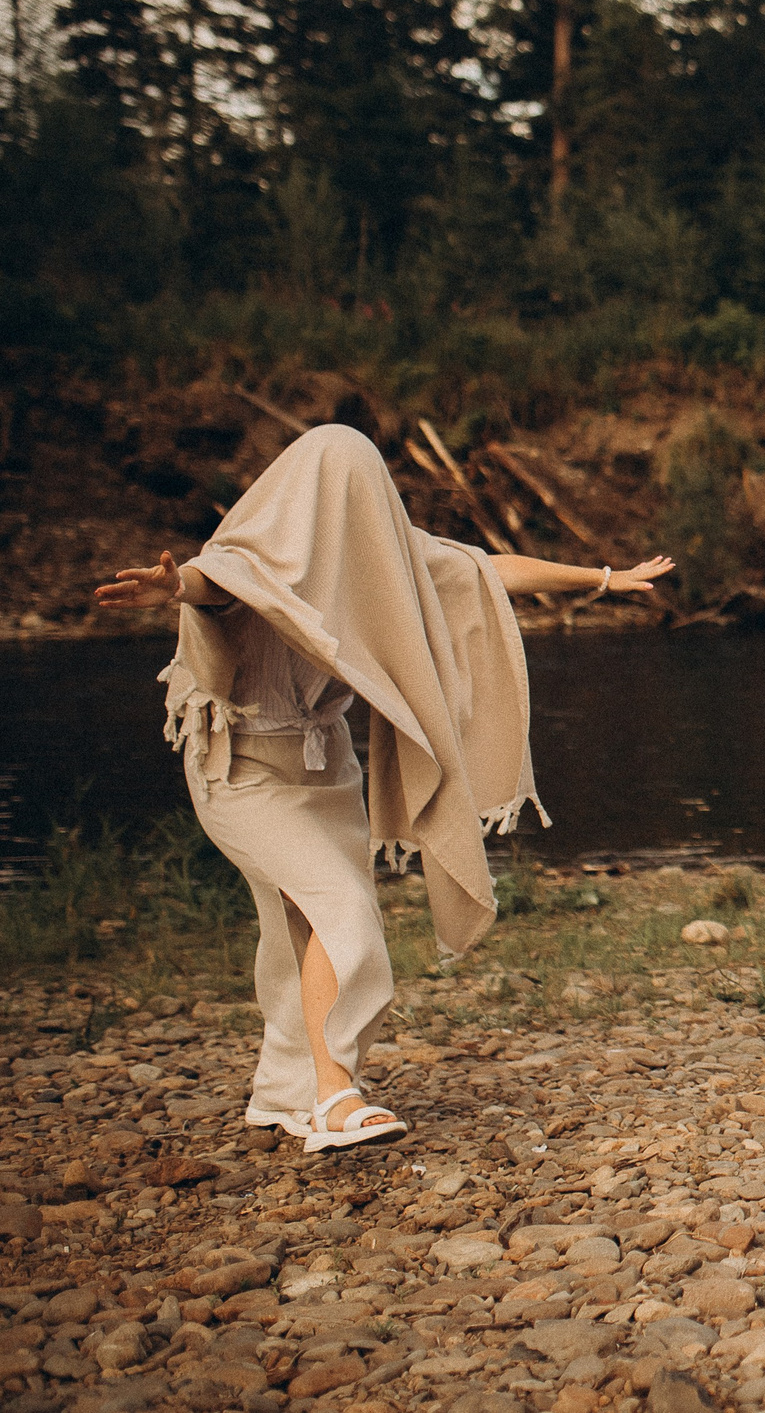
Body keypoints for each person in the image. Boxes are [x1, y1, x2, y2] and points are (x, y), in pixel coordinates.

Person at [95, 424, 671, 1153]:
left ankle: (282, 1092)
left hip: (327, 768)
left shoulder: (379, 558)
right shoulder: (255, 554)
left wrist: (602, 578)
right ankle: (334, 1097)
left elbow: (488, 569)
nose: (365, 508)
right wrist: (172, 586)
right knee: (342, 911)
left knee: (297, 927)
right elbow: (211, 582)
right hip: (241, 770)